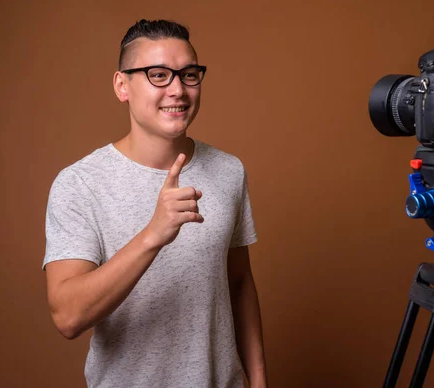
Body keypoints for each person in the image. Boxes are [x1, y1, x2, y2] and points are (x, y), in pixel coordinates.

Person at [43, 19, 267, 388]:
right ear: (122, 85)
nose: (177, 89)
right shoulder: (80, 184)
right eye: (158, 75)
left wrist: (258, 382)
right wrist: (152, 235)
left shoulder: (229, 171)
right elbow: (67, 316)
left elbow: (240, 282)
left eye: (189, 74)